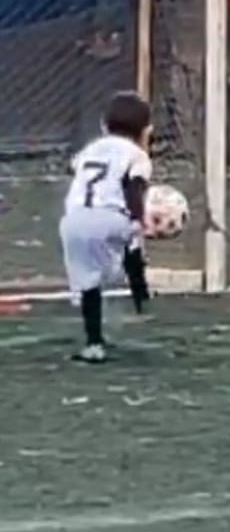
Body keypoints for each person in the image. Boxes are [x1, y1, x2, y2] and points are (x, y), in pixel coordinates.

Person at [59, 91, 155, 363]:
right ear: (145, 131)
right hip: (110, 218)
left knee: (88, 284)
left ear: (104, 125)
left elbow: (75, 169)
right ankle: (139, 291)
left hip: (74, 220)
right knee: (132, 242)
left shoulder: (91, 149)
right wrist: (139, 219)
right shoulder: (138, 155)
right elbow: (134, 187)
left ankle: (93, 344)